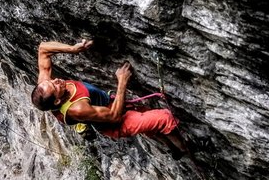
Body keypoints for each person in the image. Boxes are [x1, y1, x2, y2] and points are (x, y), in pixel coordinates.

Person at [30, 40, 188, 157]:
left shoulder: (45, 88)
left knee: (152, 125)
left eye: (51, 81)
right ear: (57, 101)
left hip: (112, 104)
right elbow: (114, 116)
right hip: (117, 123)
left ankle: (172, 148)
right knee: (165, 118)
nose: (56, 81)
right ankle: (184, 149)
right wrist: (122, 81)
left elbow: (43, 49)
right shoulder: (76, 109)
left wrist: (73, 49)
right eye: (55, 87)